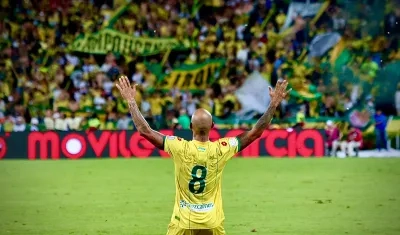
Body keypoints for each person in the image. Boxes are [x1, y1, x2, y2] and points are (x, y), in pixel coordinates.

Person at [116, 76, 290, 235]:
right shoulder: (222, 149)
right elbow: (255, 133)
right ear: (213, 125)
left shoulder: (178, 146)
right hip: (211, 222)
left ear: (190, 126)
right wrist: (273, 104)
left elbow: (144, 130)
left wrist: (131, 101)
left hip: (182, 222)